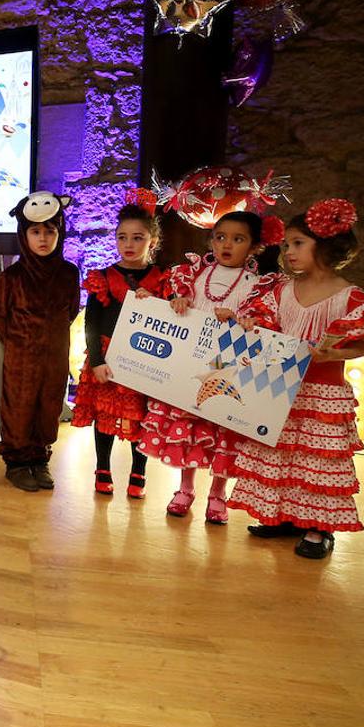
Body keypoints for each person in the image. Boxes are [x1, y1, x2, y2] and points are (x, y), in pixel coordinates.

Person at [221, 200, 364, 559]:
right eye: (286, 244)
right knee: (281, 452)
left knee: (317, 459)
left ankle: (319, 528)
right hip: (281, 385)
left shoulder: (348, 296)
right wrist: (246, 324)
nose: (288, 251)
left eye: (297, 243)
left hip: (323, 392)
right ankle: (285, 516)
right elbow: (262, 326)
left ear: (324, 244)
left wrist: (335, 353)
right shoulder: (280, 291)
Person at [136, 211, 282, 523]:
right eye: (220, 237)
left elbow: (265, 324)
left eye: (238, 239)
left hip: (226, 368)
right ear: (211, 240)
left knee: (222, 430)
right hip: (190, 364)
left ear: (255, 247)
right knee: (190, 429)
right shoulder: (192, 276)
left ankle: (218, 493)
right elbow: (170, 307)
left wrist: (246, 320)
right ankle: (185, 488)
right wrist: (178, 302)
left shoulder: (257, 286)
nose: (227, 244)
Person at [71, 196, 165, 498]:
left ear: (152, 240)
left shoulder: (163, 279)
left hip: (146, 357)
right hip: (109, 357)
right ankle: (102, 468)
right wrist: (96, 360)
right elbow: (92, 323)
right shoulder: (103, 277)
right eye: (122, 237)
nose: (129, 244)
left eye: (138, 238)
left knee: (142, 416)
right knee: (105, 415)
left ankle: (139, 472)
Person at [0, 191, 80, 492]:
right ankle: (16, 462)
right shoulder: (11, 278)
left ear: (60, 232)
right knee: (19, 407)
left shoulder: (69, 273)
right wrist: (21, 344)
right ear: (24, 234)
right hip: (21, 358)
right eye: (35, 231)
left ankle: (39, 458)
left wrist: (50, 340)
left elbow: (70, 310)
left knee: (48, 405)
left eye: (50, 231)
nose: (43, 238)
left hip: (55, 356)